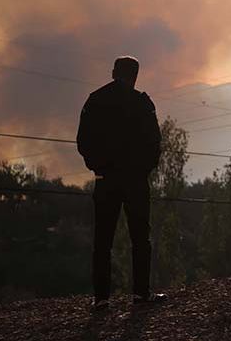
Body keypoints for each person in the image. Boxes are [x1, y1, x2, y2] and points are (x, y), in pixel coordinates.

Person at [76, 56, 164, 310]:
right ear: (135, 75)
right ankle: (141, 293)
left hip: (106, 181)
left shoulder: (95, 100)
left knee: (103, 241)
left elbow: (83, 141)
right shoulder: (142, 103)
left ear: (114, 72)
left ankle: (101, 298)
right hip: (136, 182)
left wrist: (98, 167)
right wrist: (143, 170)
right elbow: (154, 143)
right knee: (140, 238)